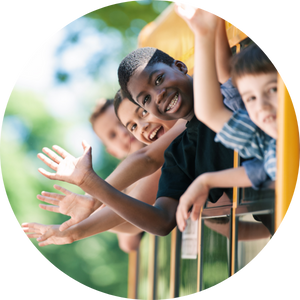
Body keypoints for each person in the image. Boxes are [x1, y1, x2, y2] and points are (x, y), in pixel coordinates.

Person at [21, 93, 186, 246]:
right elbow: (129, 233)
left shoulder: (169, 147)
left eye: (123, 124)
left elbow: (147, 159)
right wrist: (74, 228)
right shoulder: (141, 173)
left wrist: (94, 198)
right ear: (112, 152)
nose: (123, 132)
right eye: (113, 135)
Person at [173, 3, 278, 231]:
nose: (261, 106)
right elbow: (210, 112)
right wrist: (203, 34)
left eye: (273, 90)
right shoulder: (268, 141)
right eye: (250, 98)